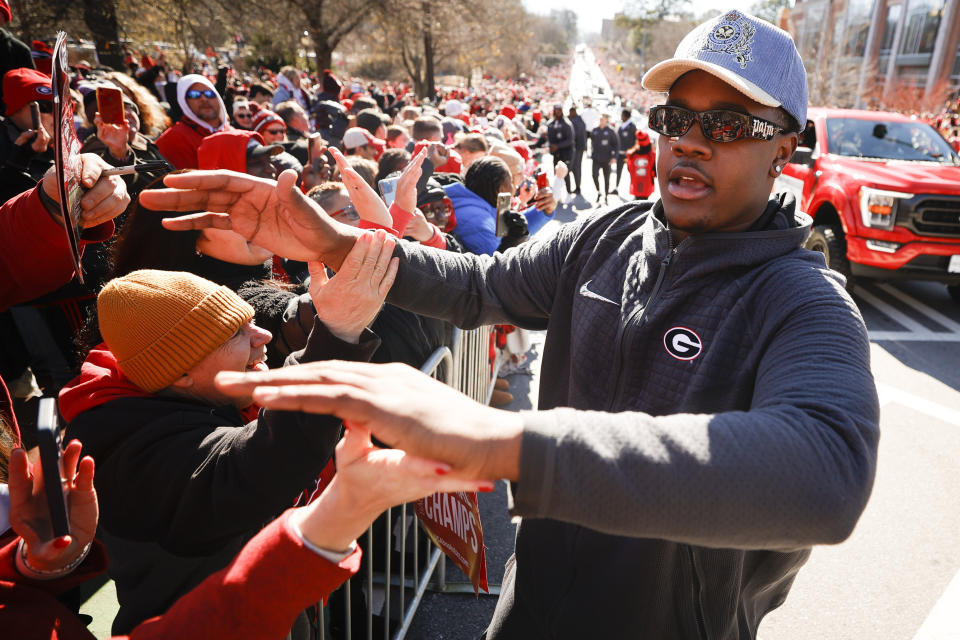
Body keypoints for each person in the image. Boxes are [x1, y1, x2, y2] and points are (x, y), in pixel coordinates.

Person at [146, 11, 879, 639]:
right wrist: (337, 245)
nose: (690, 141)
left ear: (786, 149)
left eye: (725, 124)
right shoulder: (603, 237)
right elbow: (481, 286)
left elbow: (827, 475)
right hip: (531, 604)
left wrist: (504, 444)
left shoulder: (803, 300)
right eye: (677, 119)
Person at [59, 248, 394, 635]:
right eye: (235, 333)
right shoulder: (130, 449)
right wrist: (337, 334)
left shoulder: (171, 388)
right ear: (181, 373)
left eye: (249, 320)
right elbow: (261, 464)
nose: (263, 335)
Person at [155, 74, 230, 170]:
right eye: (194, 95)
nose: (204, 99)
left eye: (209, 94)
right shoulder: (172, 139)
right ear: (184, 102)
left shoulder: (231, 131)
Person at [589, 112, 618, 203]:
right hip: (596, 158)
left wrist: (614, 157)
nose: (601, 120)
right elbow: (592, 141)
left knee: (606, 178)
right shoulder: (595, 130)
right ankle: (598, 192)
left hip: (607, 159)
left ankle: (606, 196)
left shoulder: (611, 131)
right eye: (600, 118)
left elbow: (616, 145)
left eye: (603, 118)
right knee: (594, 175)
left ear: (606, 120)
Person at [546, 103, 573, 192]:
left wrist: (558, 146)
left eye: (559, 110)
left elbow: (570, 139)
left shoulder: (567, 124)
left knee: (565, 173)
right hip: (556, 153)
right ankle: (557, 193)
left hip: (565, 153)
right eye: (556, 110)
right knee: (556, 173)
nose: (558, 112)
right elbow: (550, 136)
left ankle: (568, 192)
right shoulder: (551, 123)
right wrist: (552, 146)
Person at [626, 129, 656, 200]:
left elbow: (629, 169)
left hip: (636, 183)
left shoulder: (632, 155)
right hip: (647, 184)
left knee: (637, 200)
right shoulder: (652, 155)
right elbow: (655, 172)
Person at [613, 107, 636, 194]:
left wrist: (632, 152)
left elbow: (635, 141)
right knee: (618, 171)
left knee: (631, 172)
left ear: (626, 116)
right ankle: (616, 188)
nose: (621, 117)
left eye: (622, 115)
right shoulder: (620, 126)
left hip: (629, 155)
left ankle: (633, 189)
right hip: (620, 153)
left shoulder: (632, 127)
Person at [568, 105, 586, 195]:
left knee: (576, 168)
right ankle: (574, 187)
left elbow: (578, 135)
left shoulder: (577, 121)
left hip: (577, 148)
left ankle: (578, 187)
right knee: (574, 168)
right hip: (575, 148)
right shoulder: (576, 120)